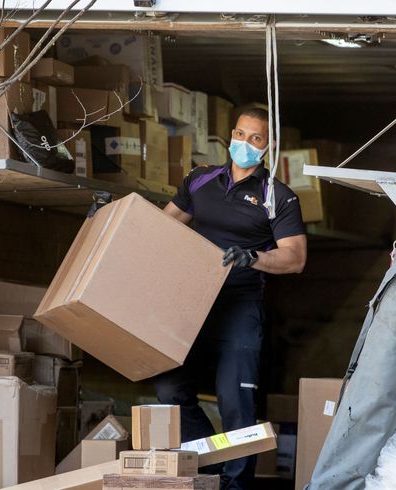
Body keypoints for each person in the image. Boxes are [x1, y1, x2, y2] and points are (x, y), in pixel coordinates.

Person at [154, 107, 307, 489]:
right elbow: (158, 226)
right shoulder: (199, 179)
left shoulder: (279, 197)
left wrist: (252, 257)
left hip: (240, 305)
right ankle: (210, 466)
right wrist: (109, 219)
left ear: (268, 146)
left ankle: (235, 485)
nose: (245, 144)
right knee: (168, 388)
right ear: (231, 136)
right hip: (193, 302)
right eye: (240, 134)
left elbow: (295, 258)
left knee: (236, 404)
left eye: (255, 138)